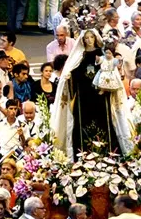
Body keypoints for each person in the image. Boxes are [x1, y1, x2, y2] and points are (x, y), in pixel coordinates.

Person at [51, 29, 133, 159]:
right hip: (83, 99)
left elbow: (111, 70)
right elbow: (72, 74)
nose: (89, 40)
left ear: (96, 38)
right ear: (83, 40)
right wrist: (68, 77)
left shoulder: (102, 54)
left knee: (104, 123)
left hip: (101, 97)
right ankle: (83, 155)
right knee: (82, 125)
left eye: (91, 37)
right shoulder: (79, 57)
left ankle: (108, 155)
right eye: (87, 38)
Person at [0, 99, 24, 166]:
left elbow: (24, 144)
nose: (13, 111)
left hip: (17, 156)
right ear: (6, 109)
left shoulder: (22, 125)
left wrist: (22, 135)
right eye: (11, 108)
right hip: (3, 156)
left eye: (15, 109)